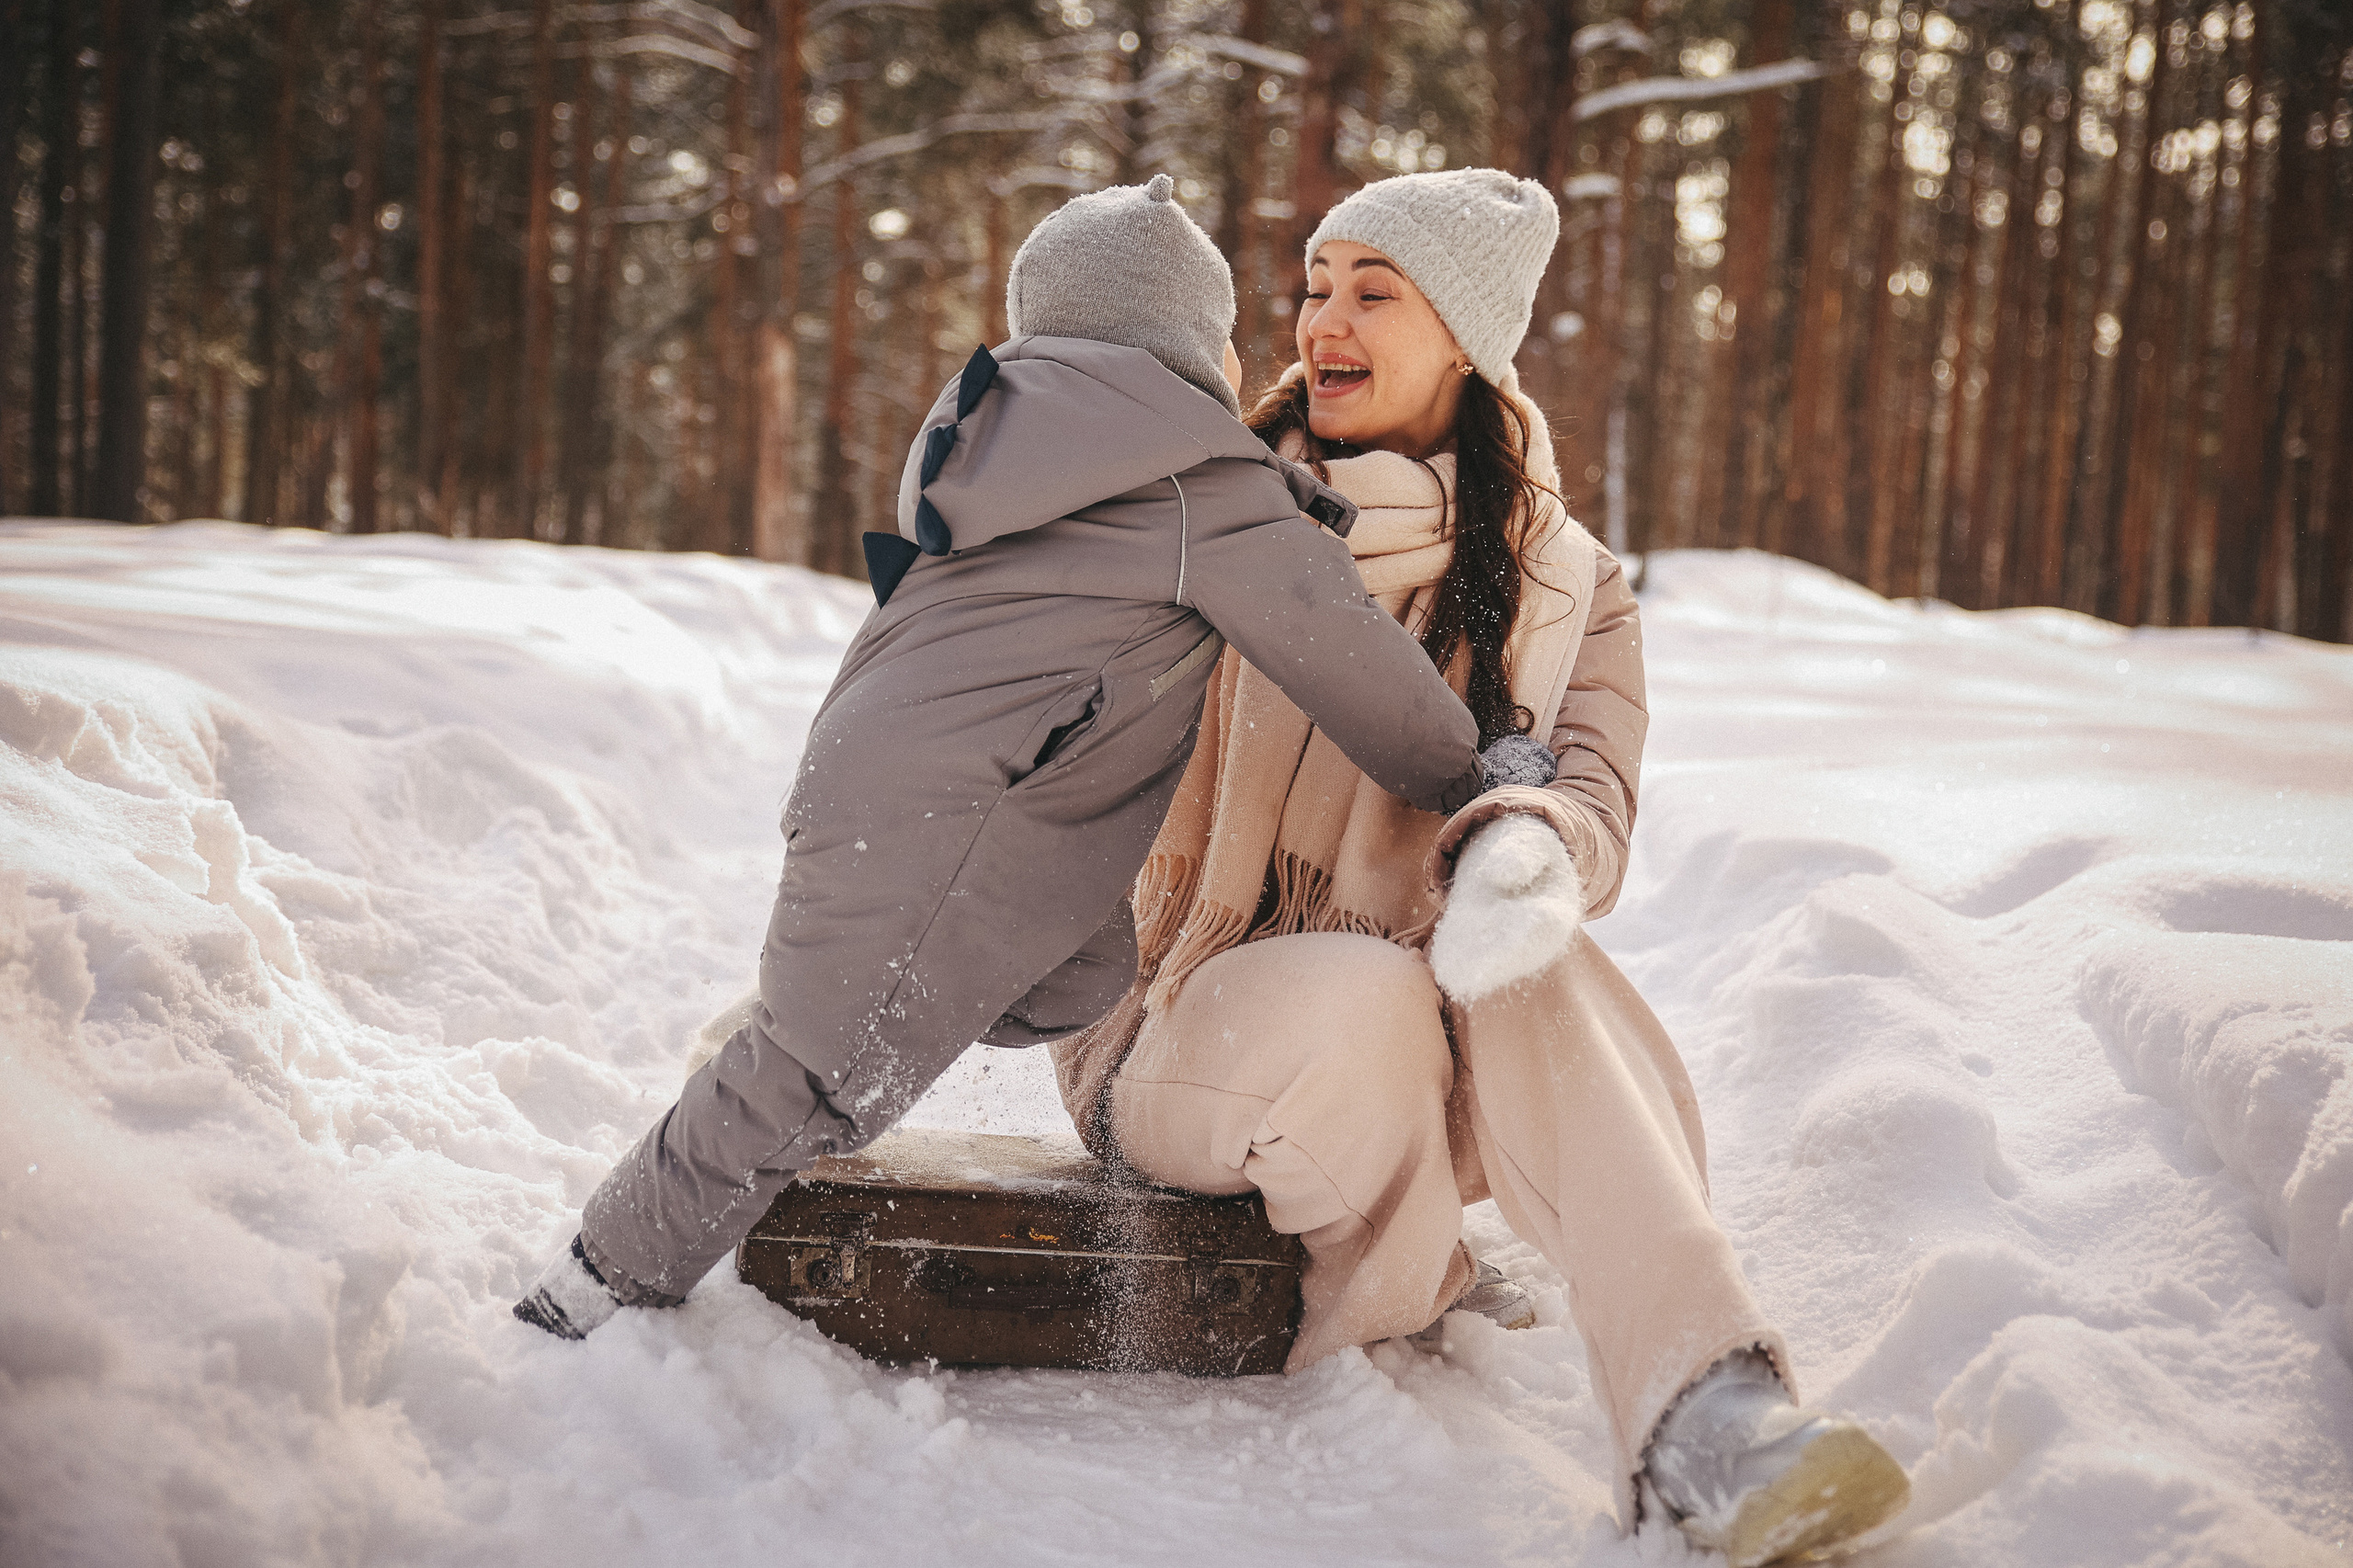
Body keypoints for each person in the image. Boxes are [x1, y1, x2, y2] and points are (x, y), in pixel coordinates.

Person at [1047, 169, 1910, 1568]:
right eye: (1316, 284)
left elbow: (1594, 806)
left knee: (1522, 929)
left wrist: (1527, 841)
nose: (1323, 318)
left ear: (1465, 336)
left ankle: (1709, 1410)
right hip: (1173, 1025)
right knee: (1370, 987)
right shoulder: (1198, 511)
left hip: (1427, 1062)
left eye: (1372, 292)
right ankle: (1421, 1276)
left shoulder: (1571, 585)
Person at [512, 176, 1544, 1345]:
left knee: (1079, 972)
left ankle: (877, 995)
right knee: (814, 1074)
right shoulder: (1198, 484)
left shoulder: (994, 445)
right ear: (1186, 343)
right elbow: (1351, 663)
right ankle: (599, 1281)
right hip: (957, 806)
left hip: (881, 778)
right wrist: (1475, 768)